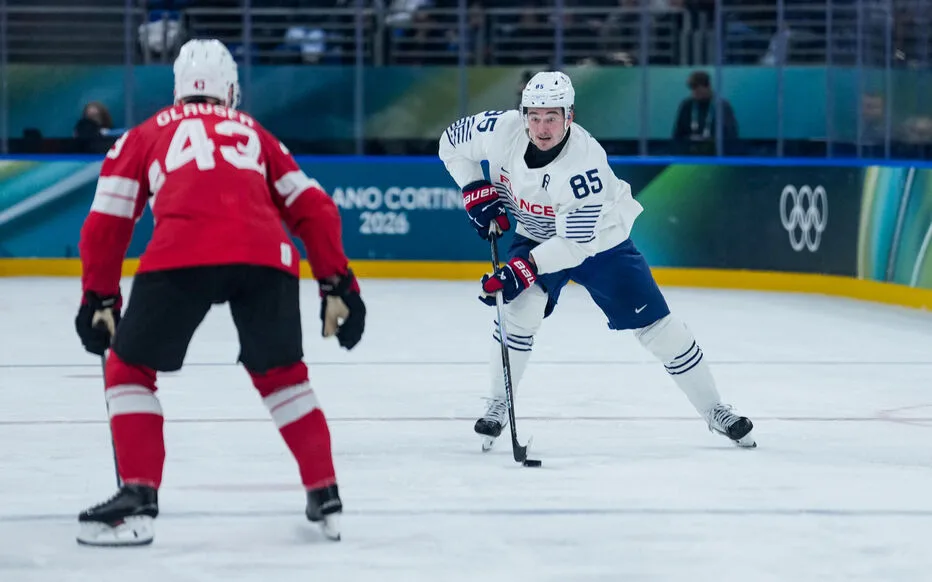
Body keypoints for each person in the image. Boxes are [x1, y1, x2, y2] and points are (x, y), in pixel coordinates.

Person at [73, 39, 365, 546]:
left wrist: (99, 297)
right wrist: (338, 283)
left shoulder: (144, 135)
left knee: (129, 369)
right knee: (284, 379)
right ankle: (325, 492)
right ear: (232, 90)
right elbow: (315, 209)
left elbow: (106, 223)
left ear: (178, 89)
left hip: (180, 252)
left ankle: (138, 497)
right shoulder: (256, 133)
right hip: (266, 258)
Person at [438, 71, 755, 453]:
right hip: (537, 233)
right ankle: (498, 402)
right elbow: (449, 143)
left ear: (569, 116)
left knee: (659, 328)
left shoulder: (585, 164)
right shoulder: (500, 129)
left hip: (602, 241)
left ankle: (715, 409)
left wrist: (524, 268)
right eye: (534, 116)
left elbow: (575, 244)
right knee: (518, 311)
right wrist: (473, 187)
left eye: (552, 117)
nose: (542, 127)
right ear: (523, 113)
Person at [672, 70, 738, 146]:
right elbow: (677, 134)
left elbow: (730, 135)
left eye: (697, 88)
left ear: (708, 87)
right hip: (690, 150)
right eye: (692, 89)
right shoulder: (687, 106)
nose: (694, 92)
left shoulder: (721, 107)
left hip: (715, 151)